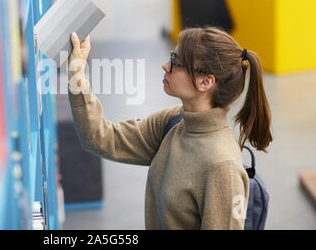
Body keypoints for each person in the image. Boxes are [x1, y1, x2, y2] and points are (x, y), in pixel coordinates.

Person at [66, 26, 273, 230]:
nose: (166, 65)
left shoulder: (222, 167)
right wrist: (77, 74)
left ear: (205, 82)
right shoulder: (174, 121)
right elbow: (101, 138)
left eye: (176, 62)